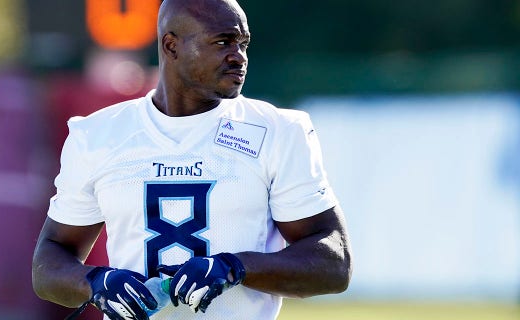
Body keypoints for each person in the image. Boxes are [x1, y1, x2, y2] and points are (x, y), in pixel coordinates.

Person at [32, 0, 353, 319]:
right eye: (222, 42)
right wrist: (96, 282)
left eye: (243, 43)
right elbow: (49, 263)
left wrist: (235, 267)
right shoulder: (98, 134)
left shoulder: (277, 131)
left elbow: (333, 262)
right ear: (171, 46)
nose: (238, 57)